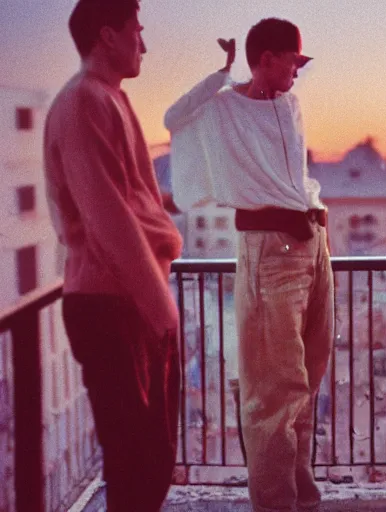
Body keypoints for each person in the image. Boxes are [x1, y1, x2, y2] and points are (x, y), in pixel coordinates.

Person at [165, 18, 334, 512]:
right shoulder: (224, 108)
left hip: (313, 242)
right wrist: (221, 74)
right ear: (265, 59)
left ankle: (301, 498)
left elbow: (296, 179)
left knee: (307, 375)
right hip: (269, 250)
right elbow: (174, 118)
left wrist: (321, 238)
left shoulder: (291, 105)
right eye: (294, 61)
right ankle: (277, 505)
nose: (299, 72)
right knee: (273, 390)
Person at [43, 1, 183, 510]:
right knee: (135, 461)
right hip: (111, 306)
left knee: (152, 456)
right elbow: (107, 217)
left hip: (129, 302)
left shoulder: (110, 99)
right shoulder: (83, 103)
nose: (143, 44)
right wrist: (161, 310)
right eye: (136, 32)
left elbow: (132, 202)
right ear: (108, 36)